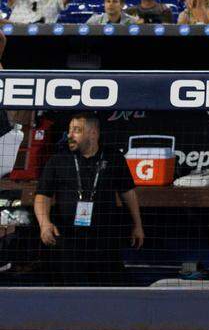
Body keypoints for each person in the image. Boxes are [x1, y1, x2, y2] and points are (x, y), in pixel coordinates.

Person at [34, 113, 144, 285]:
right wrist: (44, 223)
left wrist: (138, 225)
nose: (70, 135)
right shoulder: (59, 160)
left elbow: (128, 192)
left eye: (76, 130)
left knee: (108, 289)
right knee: (71, 289)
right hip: (69, 238)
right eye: (70, 130)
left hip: (105, 239)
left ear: (93, 133)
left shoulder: (113, 157)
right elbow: (42, 195)